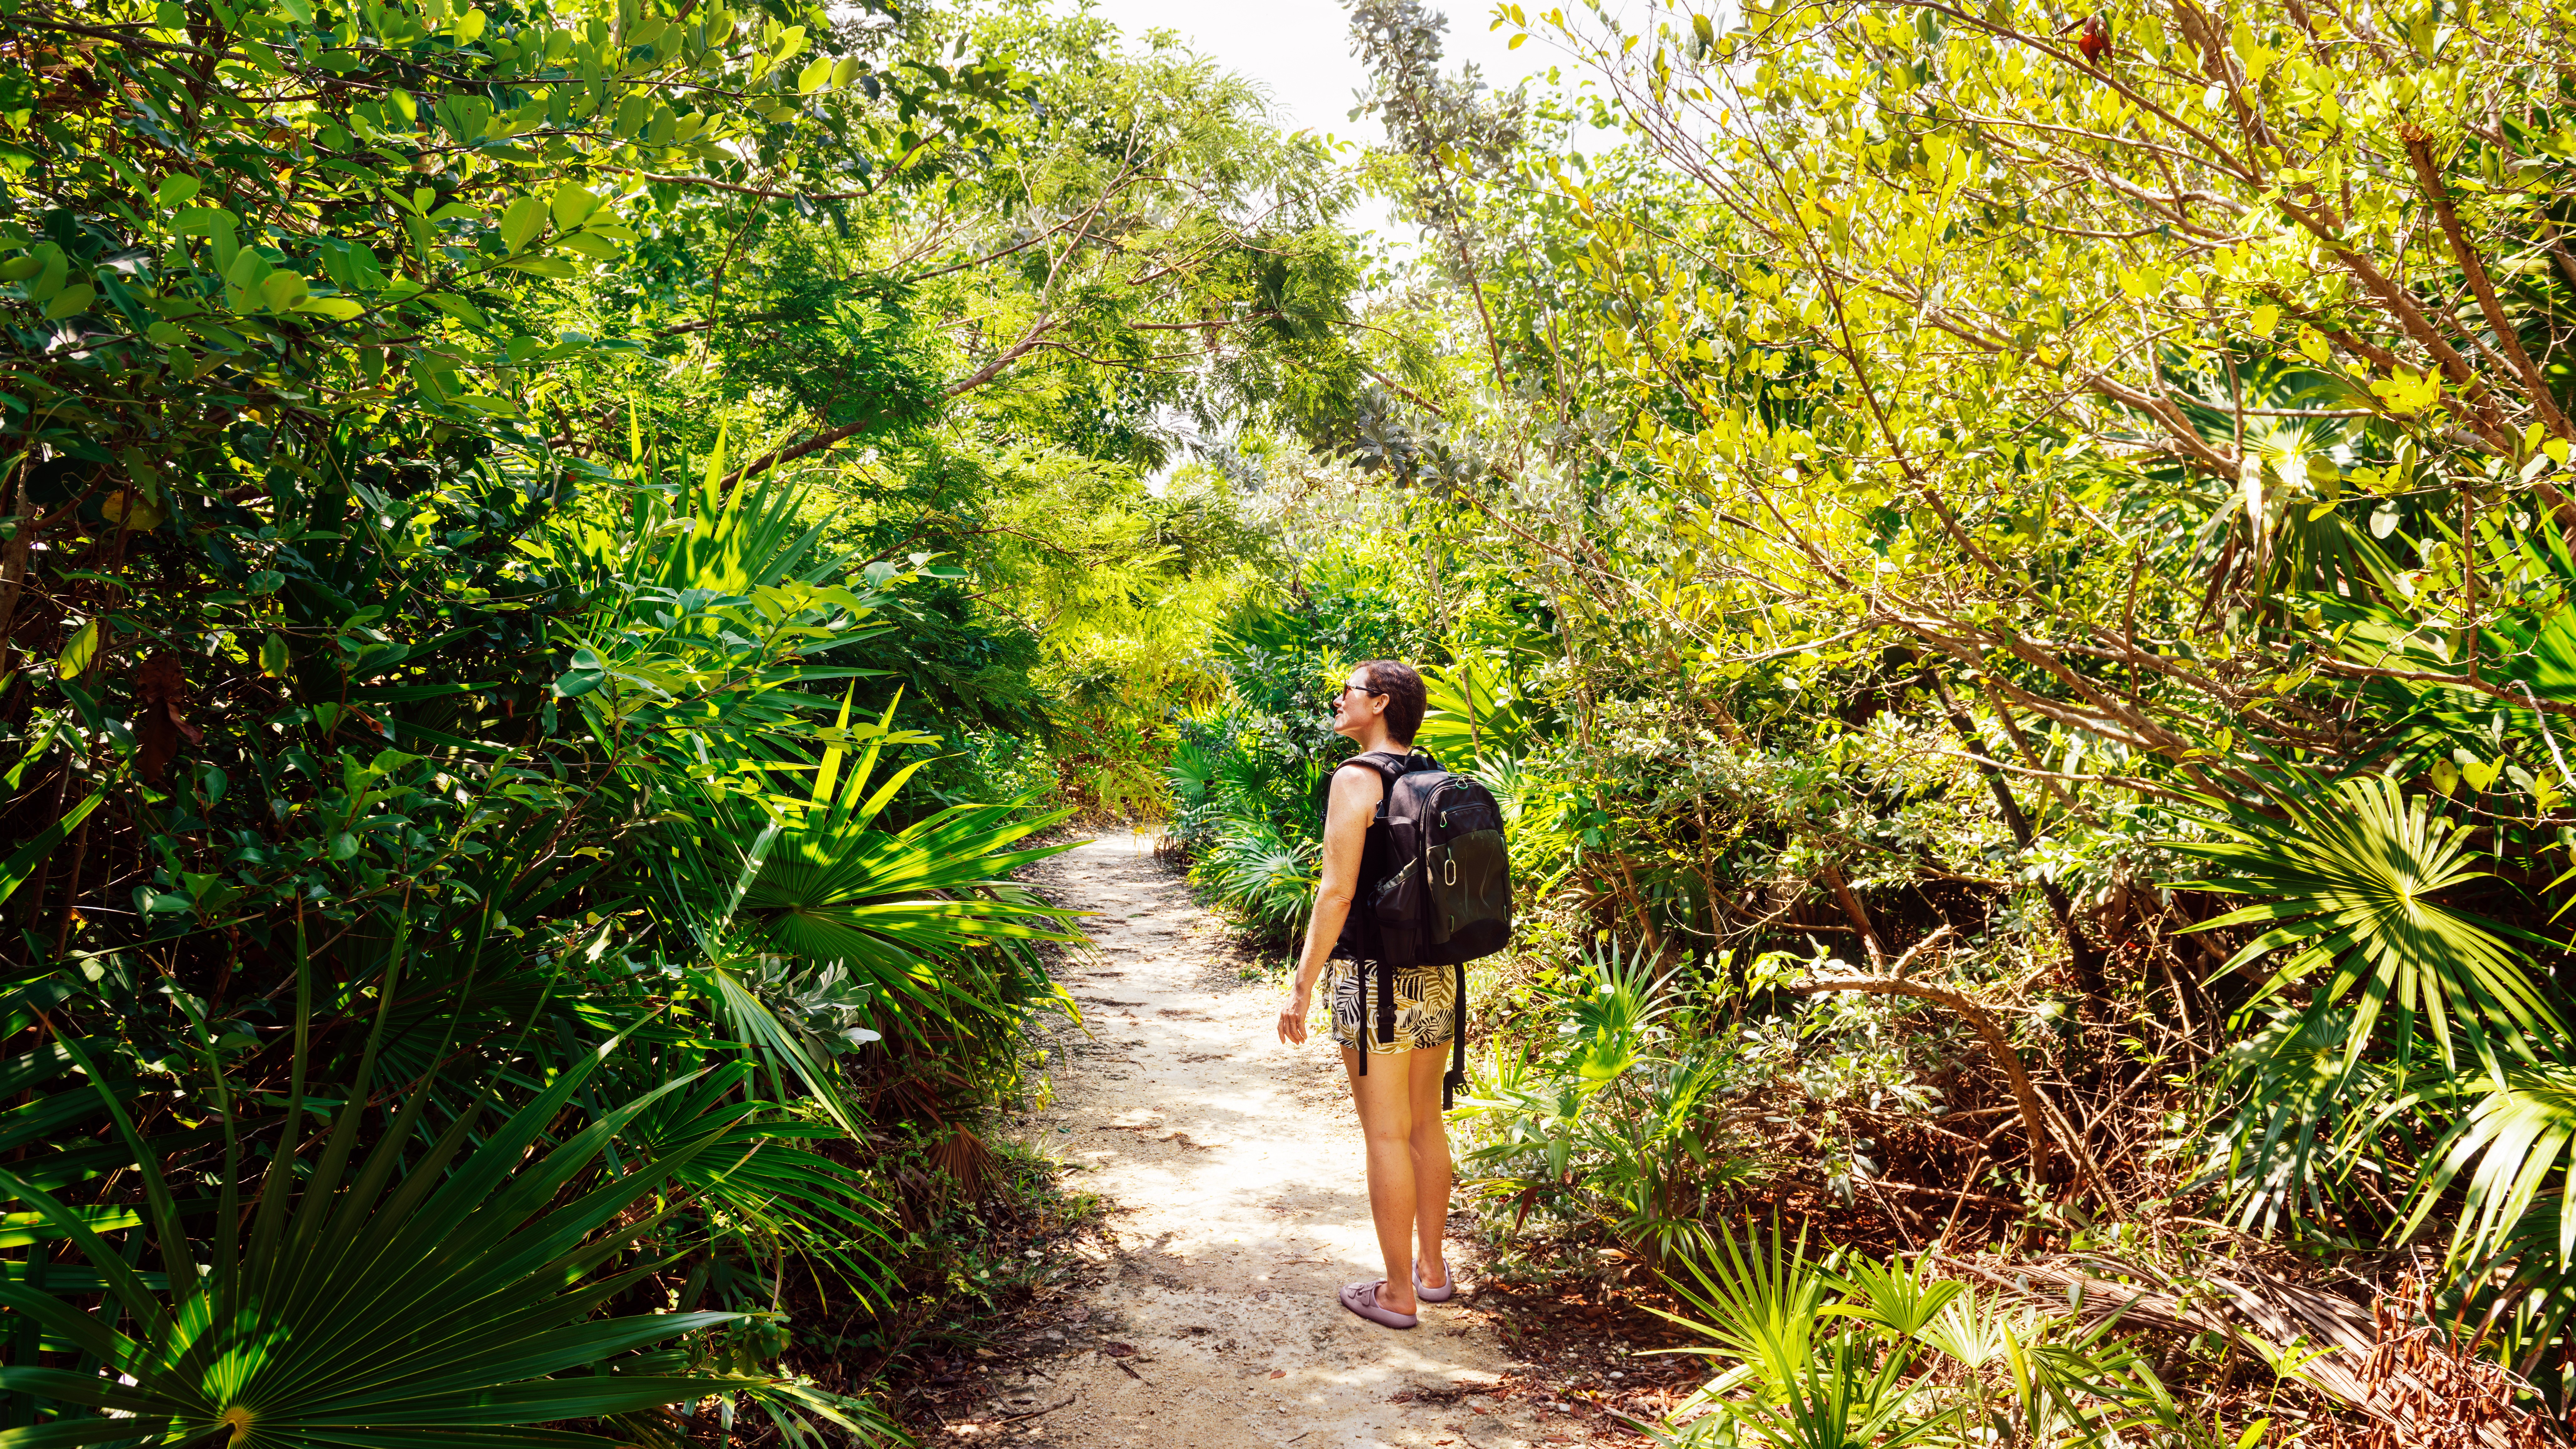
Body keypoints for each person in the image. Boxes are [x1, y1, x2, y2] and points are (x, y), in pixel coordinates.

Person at [1275, 659, 1458, 1329]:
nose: (1336, 701)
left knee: (1385, 1134)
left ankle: (1396, 1294)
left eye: (1345, 692)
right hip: (1437, 974)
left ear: (1378, 703)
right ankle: (1432, 1272)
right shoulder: (1430, 771)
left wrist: (1301, 988)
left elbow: (1338, 892)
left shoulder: (1355, 779)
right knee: (1425, 1124)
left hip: (1373, 981)